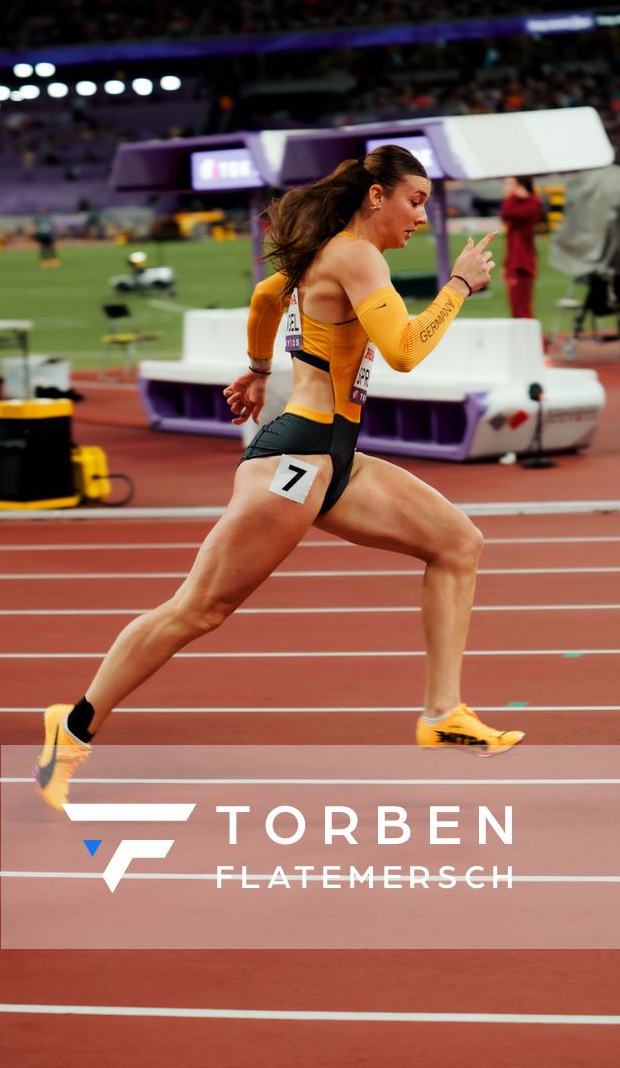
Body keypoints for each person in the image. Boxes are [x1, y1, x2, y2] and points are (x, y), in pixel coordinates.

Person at [34, 144, 523, 808]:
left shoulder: (320, 254)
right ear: (376, 196)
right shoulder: (354, 253)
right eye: (414, 202)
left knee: (457, 544)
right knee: (199, 609)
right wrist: (460, 285)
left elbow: (268, 296)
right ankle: (74, 725)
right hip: (297, 460)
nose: (419, 218)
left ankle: (443, 715)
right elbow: (404, 352)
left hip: (334, 457)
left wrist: (259, 369)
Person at [498, 174, 544, 321]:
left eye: (509, 183)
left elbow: (506, 212)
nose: (505, 188)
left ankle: (538, 343)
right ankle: (530, 342)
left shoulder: (532, 203)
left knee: (522, 310)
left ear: (519, 185)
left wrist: (512, 196)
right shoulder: (520, 203)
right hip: (515, 262)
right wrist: (506, 264)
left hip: (522, 264)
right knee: (517, 310)